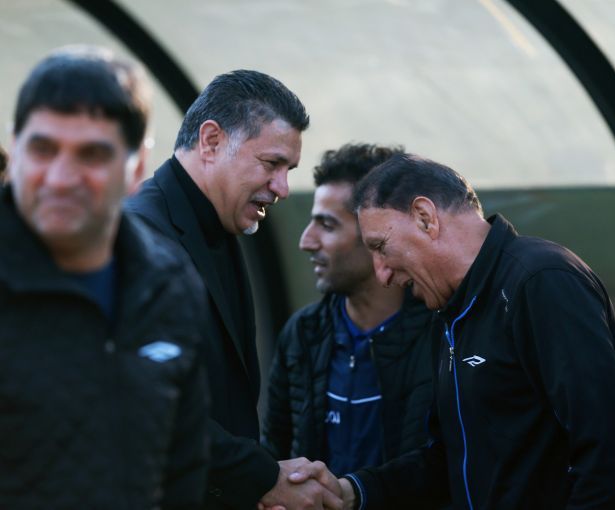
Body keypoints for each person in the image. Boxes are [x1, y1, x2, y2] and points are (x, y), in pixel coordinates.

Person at [322, 154, 615, 509]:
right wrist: (352, 491)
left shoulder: (542, 281)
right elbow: (448, 462)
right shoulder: (450, 311)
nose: (381, 274)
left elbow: (609, 461)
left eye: (380, 247)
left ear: (425, 217)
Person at [0, 46, 209, 508]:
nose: (60, 178)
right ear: (14, 150)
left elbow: (184, 471)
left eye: (91, 154)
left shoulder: (171, 287)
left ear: (136, 167)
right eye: (42, 149)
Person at [125, 69, 341, 510]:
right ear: (211, 141)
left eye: (288, 170)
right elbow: (142, 404)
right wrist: (262, 478)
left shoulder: (218, 227)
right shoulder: (140, 237)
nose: (283, 188)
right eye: (271, 164)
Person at [261, 143, 434, 475]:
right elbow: (273, 454)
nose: (306, 241)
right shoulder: (303, 334)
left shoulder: (442, 338)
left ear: (378, 234)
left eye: (326, 225)